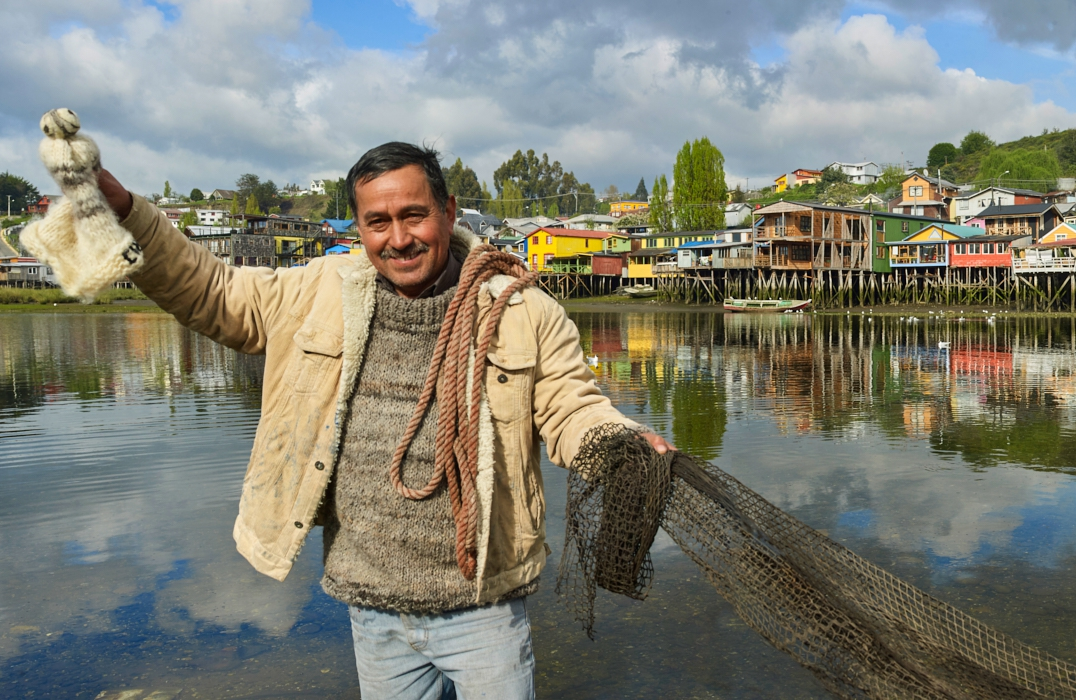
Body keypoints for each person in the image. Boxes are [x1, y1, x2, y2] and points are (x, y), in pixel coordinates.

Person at [95, 142, 673, 699]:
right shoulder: (316, 291)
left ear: (449, 212)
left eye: (414, 215)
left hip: (483, 608)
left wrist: (616, 441)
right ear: (358, 227)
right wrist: (128, 214)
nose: (398, 239)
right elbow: (210, 289)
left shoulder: (521, 310)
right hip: (372, 607)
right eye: (378, 222)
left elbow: (571, 405)